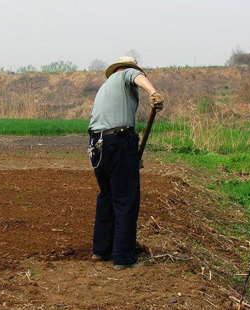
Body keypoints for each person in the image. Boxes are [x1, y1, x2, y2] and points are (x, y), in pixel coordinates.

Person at [88, 56, 164, 270]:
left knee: (107, 195)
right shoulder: (125, 75)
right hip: (118, 141)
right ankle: (123, 257)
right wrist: (153, 92)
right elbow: (137, 76)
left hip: (97, 145)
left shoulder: (105, 88)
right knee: (126, 198)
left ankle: (101, 250)